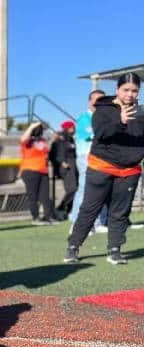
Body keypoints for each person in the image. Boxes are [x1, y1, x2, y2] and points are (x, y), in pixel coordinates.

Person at [65, 73, 144, 265]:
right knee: (90, 209)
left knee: (120, 212)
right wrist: (121, 121)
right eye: (126, 90)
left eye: (135, 90)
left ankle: (115, 249)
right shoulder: (102, 110)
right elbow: (101, 134)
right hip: (102, 167)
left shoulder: (141, 113)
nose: (130, 94)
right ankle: (73, 246)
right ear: (117, 90)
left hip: (129, 171)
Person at [70, 90, 108, 233]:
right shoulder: (83, 118)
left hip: (102, 158)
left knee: (101, 190)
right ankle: (76, 222)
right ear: (90, 101)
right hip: (86, 157)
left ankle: (98, 223)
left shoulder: (104, 118)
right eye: (96, 99)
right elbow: (91, 135)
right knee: (85, 189)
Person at [19, 122, 57, 225]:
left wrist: (53, 138)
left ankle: (48, 217)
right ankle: (36, 218)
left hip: (43, 171)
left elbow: (48, 148)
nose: (39, 130)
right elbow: (23, 139)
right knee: (33, 196)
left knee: (45, 196)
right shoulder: (28, 141)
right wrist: (31, 126)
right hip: (30, 171)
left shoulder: (42, 141)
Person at [51, 120, 78, 217]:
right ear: (66, 128)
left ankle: (68, 211)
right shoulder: (60, 139)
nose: (73, 129)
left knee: (76, 189)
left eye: (74, 127)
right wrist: (62, 162)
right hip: (66, 167)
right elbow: (56, 153)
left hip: (74, 166)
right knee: (72, 189)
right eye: (71, 128)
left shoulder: (71, 139)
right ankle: (61, 207)